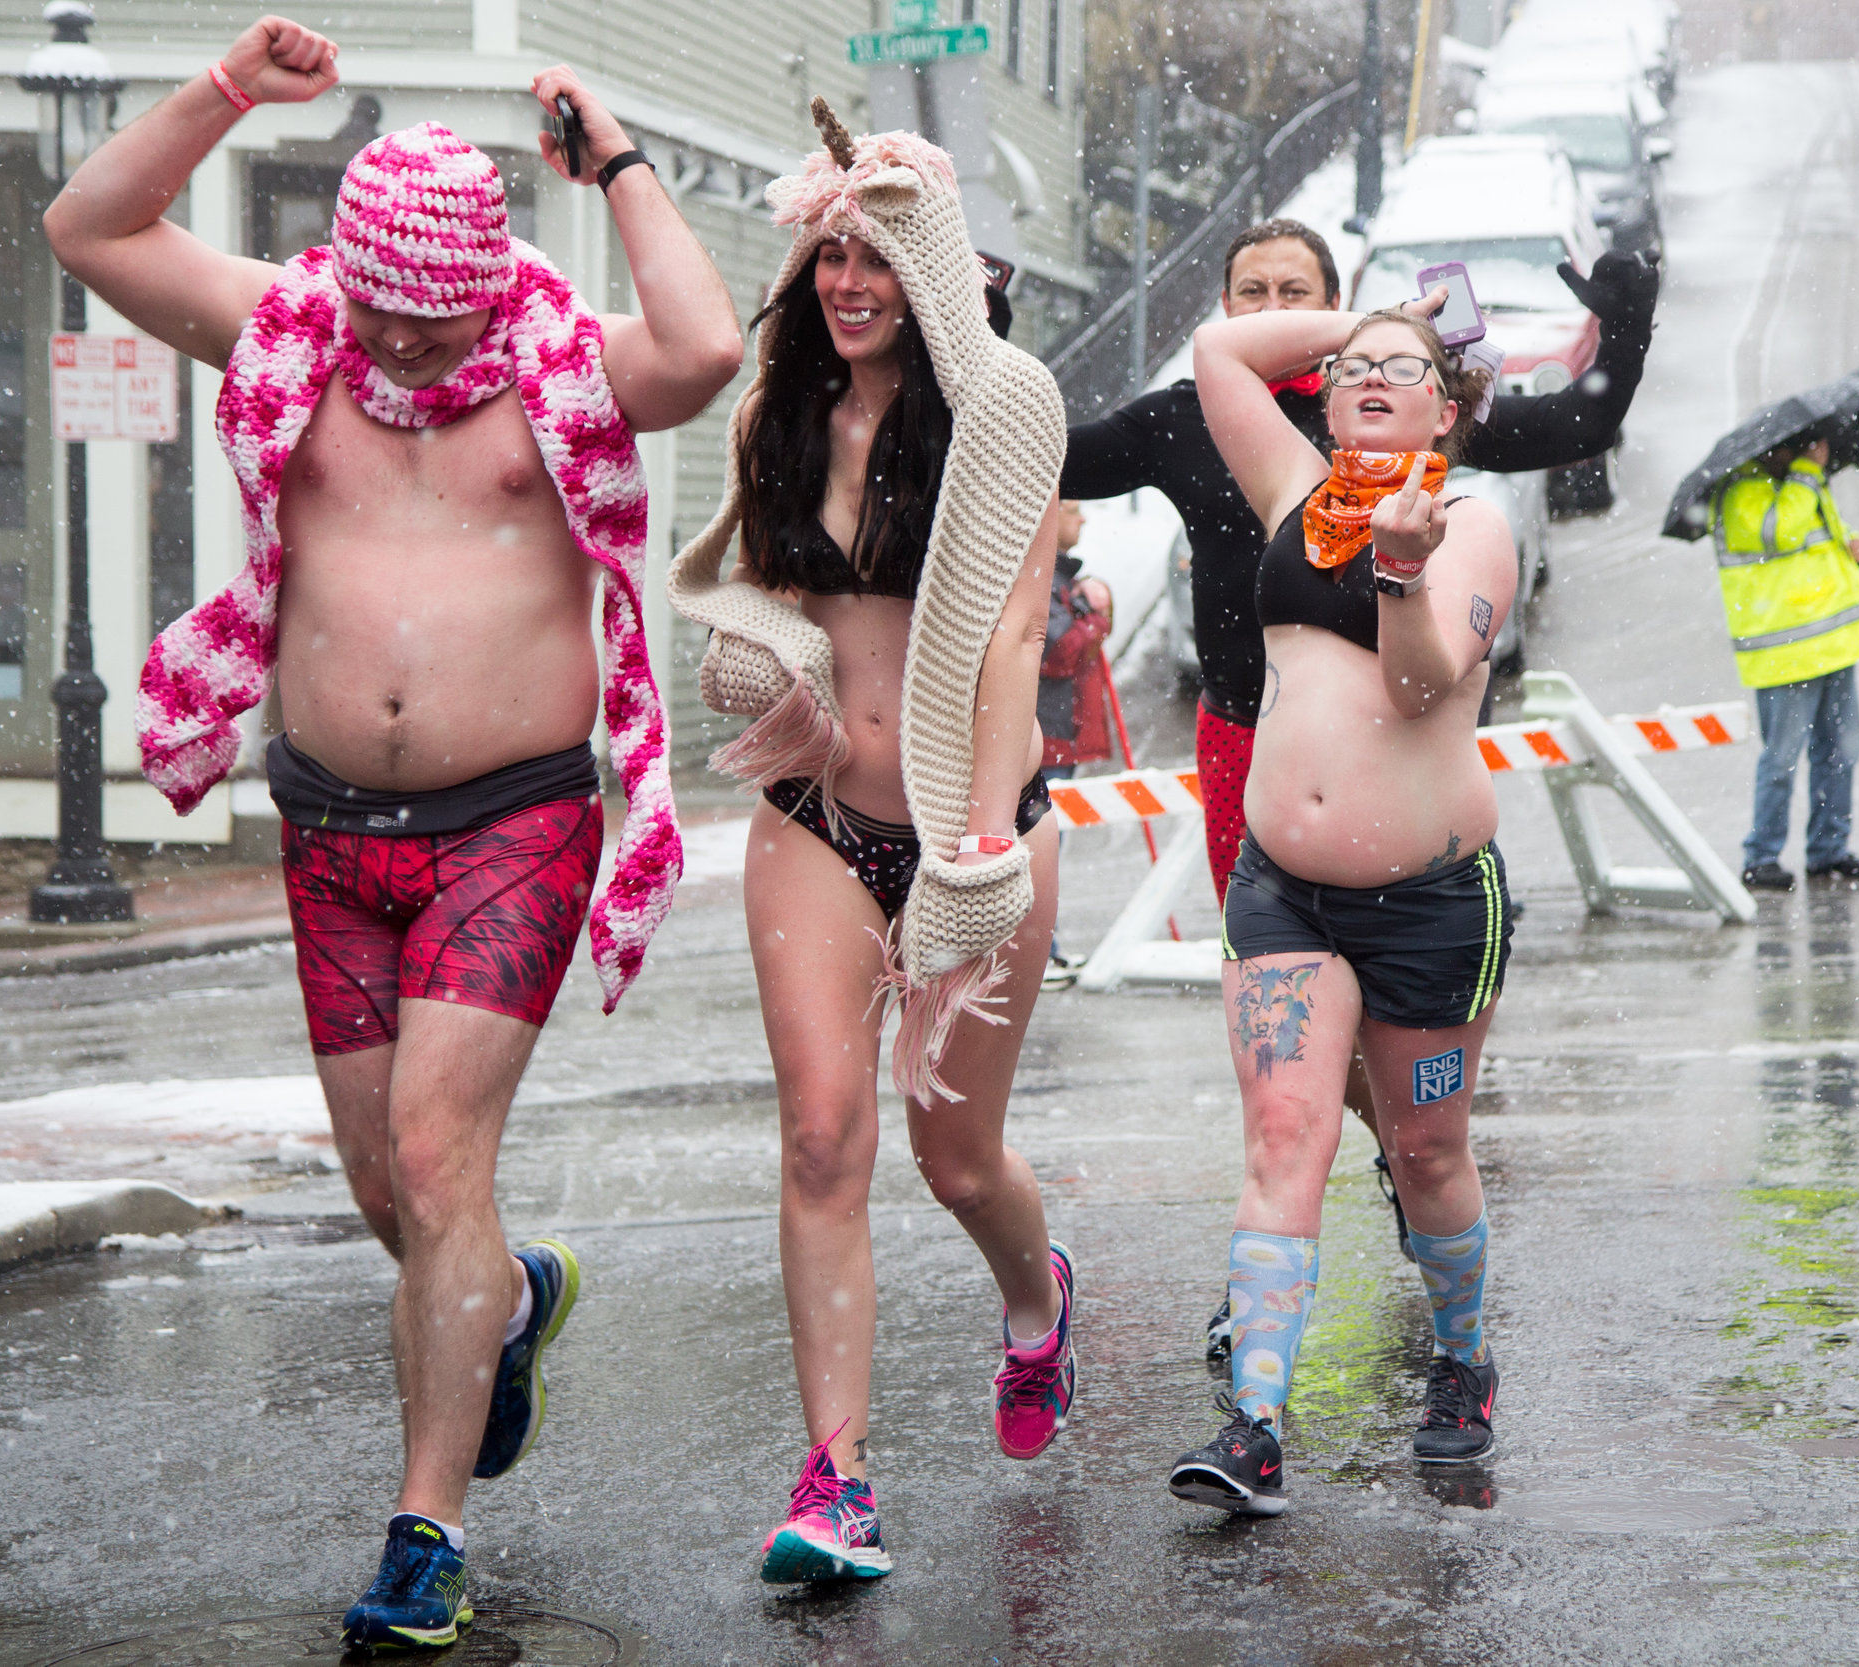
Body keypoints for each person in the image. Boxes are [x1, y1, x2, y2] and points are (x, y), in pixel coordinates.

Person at [43, 15, 742, 1649]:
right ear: (342, 281)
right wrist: (226, 93)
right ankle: (501, 1304)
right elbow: (89, 228)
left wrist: (621, 159)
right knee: (392, 1188)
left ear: (488, 288)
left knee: (437, 1161)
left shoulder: (563, 366)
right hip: (327, 827)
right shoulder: (297, 335)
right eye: (385, 321)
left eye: (436, 326)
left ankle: (423, 1536)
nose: (409, 357)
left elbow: (703, 351)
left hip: (513, 821)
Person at [1060, 220, 1657, 1350]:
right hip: (1253, 746)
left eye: (1296, 287)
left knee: (1380, 1056)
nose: (1270, 302)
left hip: (1395, 776)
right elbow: (1056, 453)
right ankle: (1294, 1260)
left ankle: (1412, 1170)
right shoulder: (1207, 415)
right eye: (1254, 289)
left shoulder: (1416, 430)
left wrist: (1620, 339)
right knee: (1289, 1080)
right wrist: (955, 351)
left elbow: (1579, 423)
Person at [668, 102, 1074, 1586]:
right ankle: (835, 1476)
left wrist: (981, 837)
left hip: (976, 821)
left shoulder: (1006, 416)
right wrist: (759, 658)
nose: (849, 282)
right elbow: (773, 591)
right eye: (831, 252)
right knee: (825, 1136)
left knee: (957, 1162)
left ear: (937, 264)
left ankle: (1036, 1308)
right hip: (818, 817)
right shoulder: (778, 413)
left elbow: (1014, 634)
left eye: (882, 254)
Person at [1166, 291, 1519, 1517]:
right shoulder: (1293, 491)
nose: (1373, 377)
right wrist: (1369, 313)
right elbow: (1217, 350)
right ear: (1323, 388)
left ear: (1444, 404)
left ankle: (1464, 1358)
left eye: (1403, 368)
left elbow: (1423, 683)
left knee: (1424, 1151)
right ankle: (1255, 1422)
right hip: (1284, 895)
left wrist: (1403, 571)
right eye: (1355, 367)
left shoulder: (1472, 524)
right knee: (1284, 1139)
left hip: (1428, 902)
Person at [1711, 431, 1859, 893]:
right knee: (1783, 759)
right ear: (1767, 449)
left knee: (1841, 751)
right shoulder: (1743, 492)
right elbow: (1782, 530)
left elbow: (1820, 540)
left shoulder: (1798, 486)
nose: (1809, 453)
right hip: (1785, 655)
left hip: (1831, 645)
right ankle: (1761, 857)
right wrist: (1808, 473)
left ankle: (1829, 851)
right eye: (1797, 447)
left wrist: (1855, 545)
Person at [1035, 502, 1113, 989]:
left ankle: (1046, 949)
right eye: (1072, 510)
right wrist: (1096, 618)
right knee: (1039, 846)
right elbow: (1057, 653)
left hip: (1057, 734)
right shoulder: (1042, 577)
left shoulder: (1057, 577)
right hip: (1047, 734)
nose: (1082, 519)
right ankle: (1038, 953)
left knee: (1046, 844)